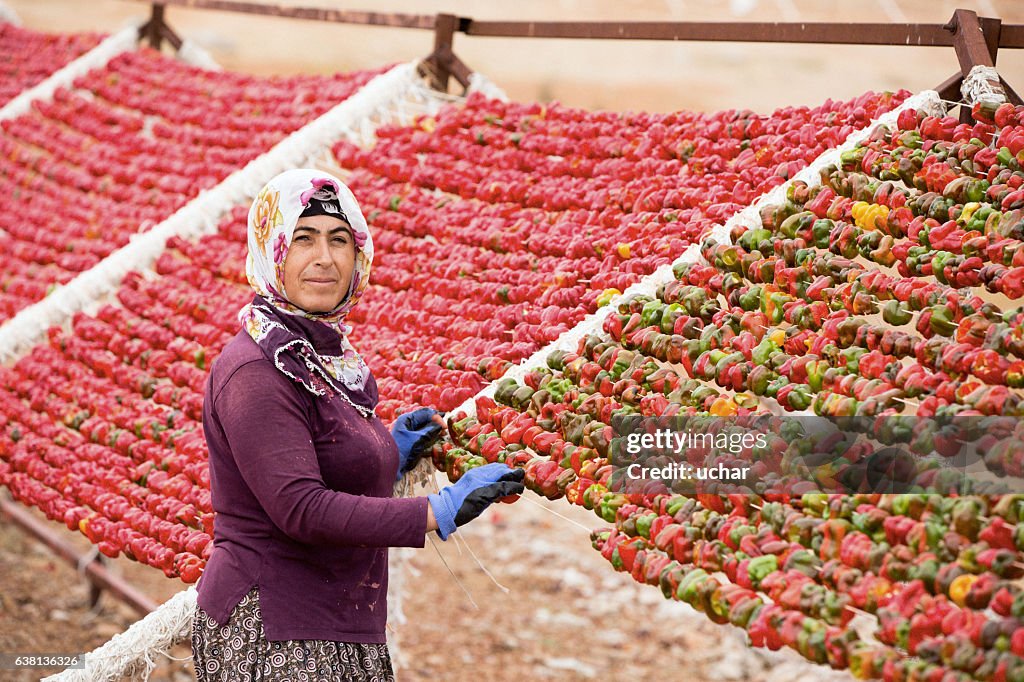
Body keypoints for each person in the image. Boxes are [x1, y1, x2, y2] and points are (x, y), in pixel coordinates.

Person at [191, 168, 525, 681]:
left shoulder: (319, 354)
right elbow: (301, 508)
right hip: (277, 631)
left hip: (333, 623)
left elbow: (319, 463)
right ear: (272, 249)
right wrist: (436, 511)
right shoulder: (257, 370)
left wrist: (384, 456)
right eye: (303, 239)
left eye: (339, 240)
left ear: (360, 255)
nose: (324, 258)